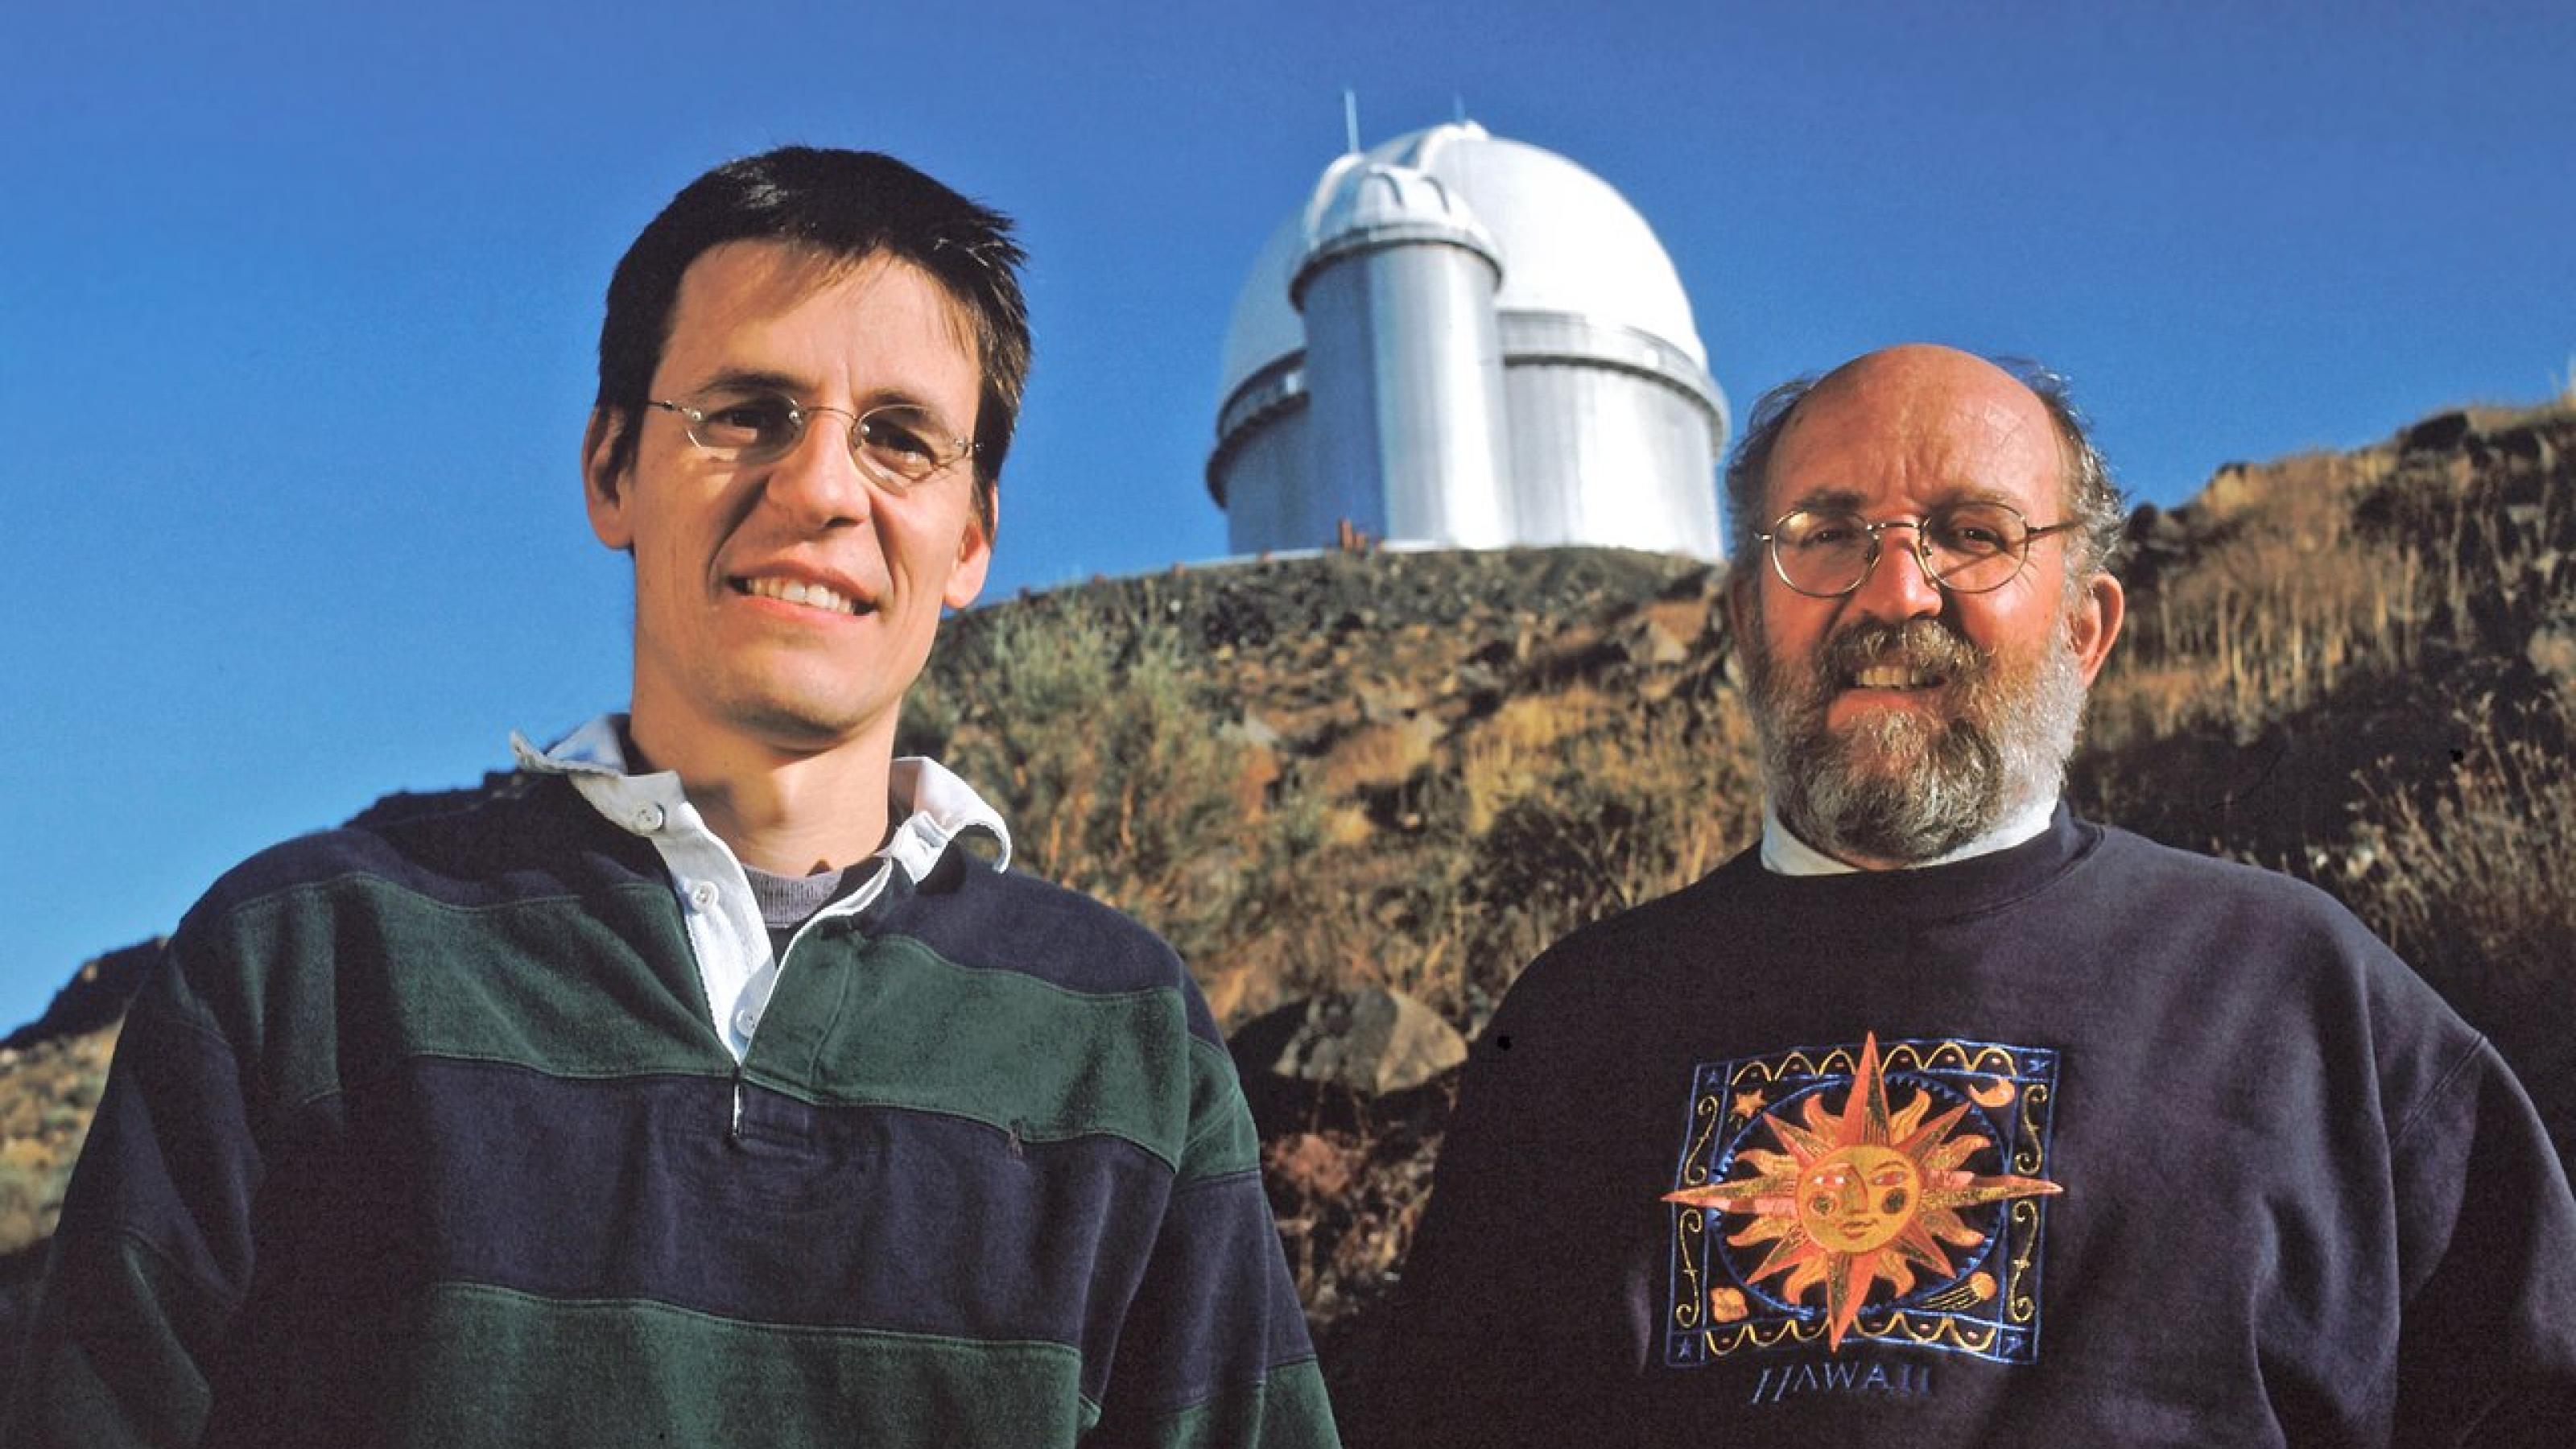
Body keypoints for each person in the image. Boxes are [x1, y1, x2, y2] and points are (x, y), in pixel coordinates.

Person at [9, 147, 1337, 1448]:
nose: (820, 487)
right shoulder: (300, 964)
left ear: (972, 537)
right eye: (748, 412)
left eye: (899, 438)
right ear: (609, 471)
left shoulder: (1128, 1042)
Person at [1375, 345, 2576, 1445]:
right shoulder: (1581, 1025)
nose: (1896, 594)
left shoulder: (2303, 996)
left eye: (1972, 532)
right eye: (1827, 533)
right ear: (1746, 623)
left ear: (2085, 629)